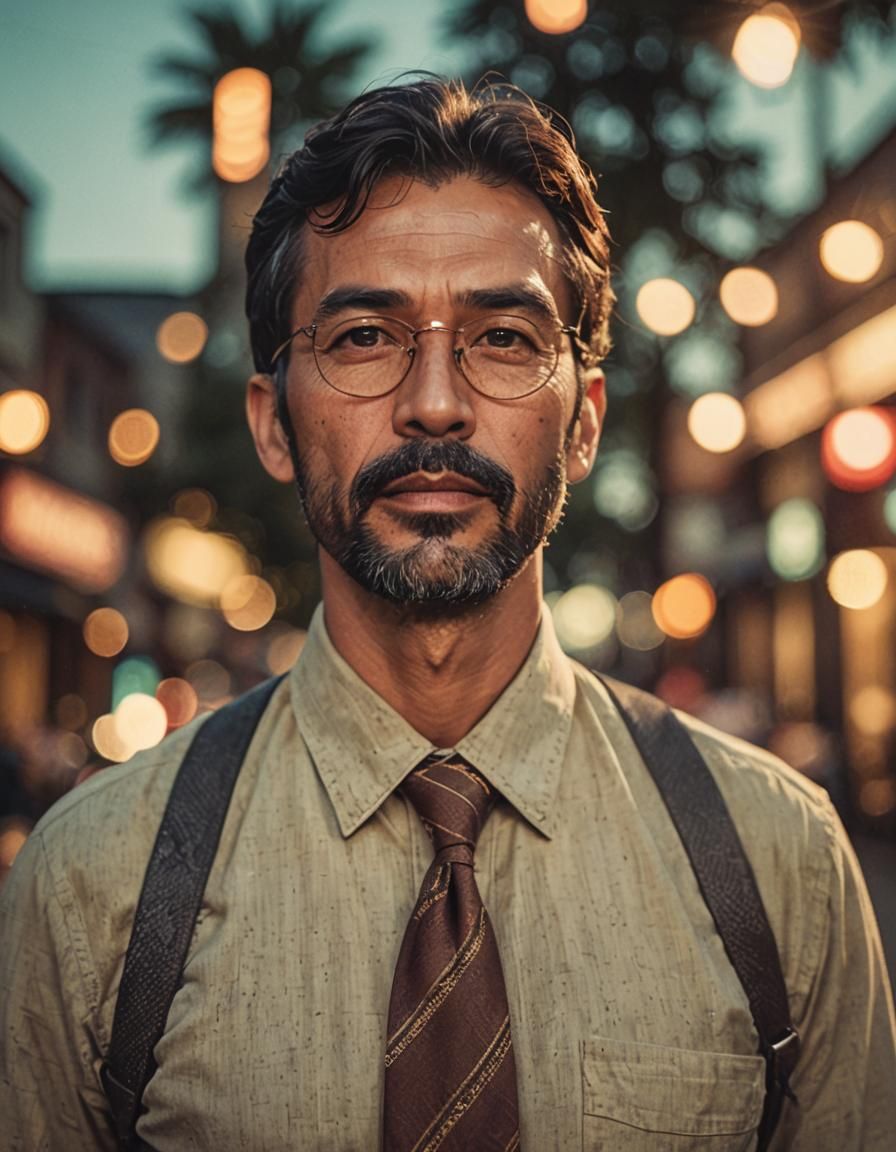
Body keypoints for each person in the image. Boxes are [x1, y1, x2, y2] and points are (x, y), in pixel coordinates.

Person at [1, 77, 894, 1152]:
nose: (434, 403)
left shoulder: (780, 859)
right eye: (365, 337)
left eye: (505, 338)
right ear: (273, 424)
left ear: (583, 425)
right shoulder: (92, 881)